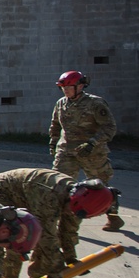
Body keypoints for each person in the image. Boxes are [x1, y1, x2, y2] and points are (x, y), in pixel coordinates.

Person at [0, 168, 116, 278]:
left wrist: (71, 258)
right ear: (72, 199)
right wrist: (58, 265)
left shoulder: (79, 202)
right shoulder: (50, 195)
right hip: (1, 193)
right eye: (70, 210)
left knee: (46, 250)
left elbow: (68, 232)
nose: (70, 213)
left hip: (29, 198)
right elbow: (46, 236)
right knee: (17, 243)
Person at [49, 70, 123, 231]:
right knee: (60, 184)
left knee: (100, 188)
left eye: (69, 87)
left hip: (92, 153)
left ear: (81, 86)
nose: (66, 90)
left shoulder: (95, 103)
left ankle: (113, 217)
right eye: (63, 87)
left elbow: (110, 127)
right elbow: (55, 125)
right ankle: (60, 220)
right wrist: (53, 143)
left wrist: (92, 143)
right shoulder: (61, 103)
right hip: (67, 151)